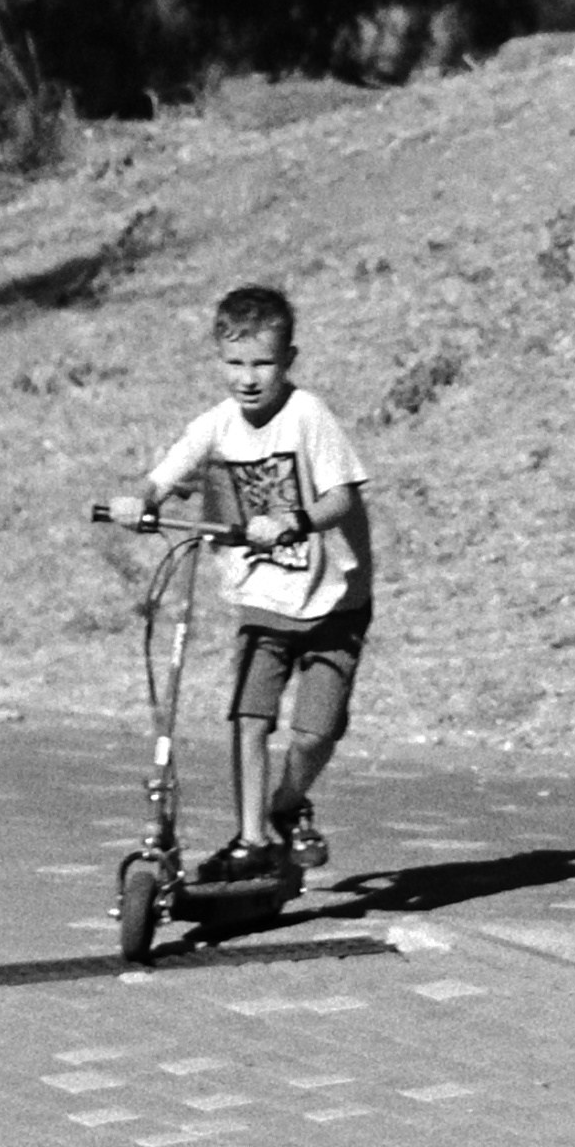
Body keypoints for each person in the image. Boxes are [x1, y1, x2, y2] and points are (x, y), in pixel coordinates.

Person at [115, 283, 373, 877]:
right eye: (236, 363)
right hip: (263, 599)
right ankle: (252, 838)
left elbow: (340, 498)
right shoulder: (216, 426)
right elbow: (164, 475)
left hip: (335, 598)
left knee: (315, 733)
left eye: (263, 363)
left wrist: (294, 520)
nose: (249, 377)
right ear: (219, 362)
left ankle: (286, 803)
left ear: (289, 361)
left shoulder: (307, 416)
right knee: (248, 718)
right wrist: (140, 500)